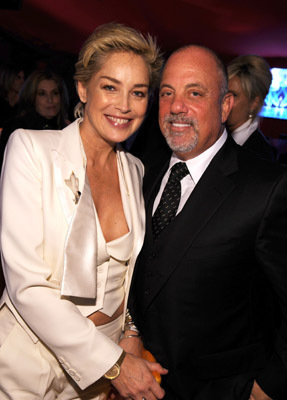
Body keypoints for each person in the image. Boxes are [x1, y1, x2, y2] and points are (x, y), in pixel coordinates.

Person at [0, 23, 167, 400]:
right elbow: (26, 284)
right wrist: (113, 363)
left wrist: (129, 336)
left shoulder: (135, 170)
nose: (124, 105)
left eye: (138, 93)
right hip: (29, 356)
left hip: (97, 375)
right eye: (110, 87)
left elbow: (132, 278)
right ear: (81, 88)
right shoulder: (30, 149)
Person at [129, 45, 287, 400]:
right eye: (167, 93)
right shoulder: (142, 174)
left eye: (195, 93)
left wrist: (269, 386)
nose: (176, 107)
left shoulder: (267, 186)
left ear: (226, 105)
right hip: (138, 382)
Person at [0, 70, 70, 171]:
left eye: (55, 93)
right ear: (31, 97)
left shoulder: (68, 130)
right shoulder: (16, 128)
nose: (50, 100)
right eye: (42, 94)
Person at [226, 54, 275, 161]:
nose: (224, 101)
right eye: (223, 93)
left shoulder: (260, 156)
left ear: (254, 103)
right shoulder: (215, 134)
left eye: (234, 95)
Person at [0, 63, 25, 127]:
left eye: (23, 78)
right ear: (9, 78)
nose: (23, 81)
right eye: (18, 77)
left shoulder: (23, 104)